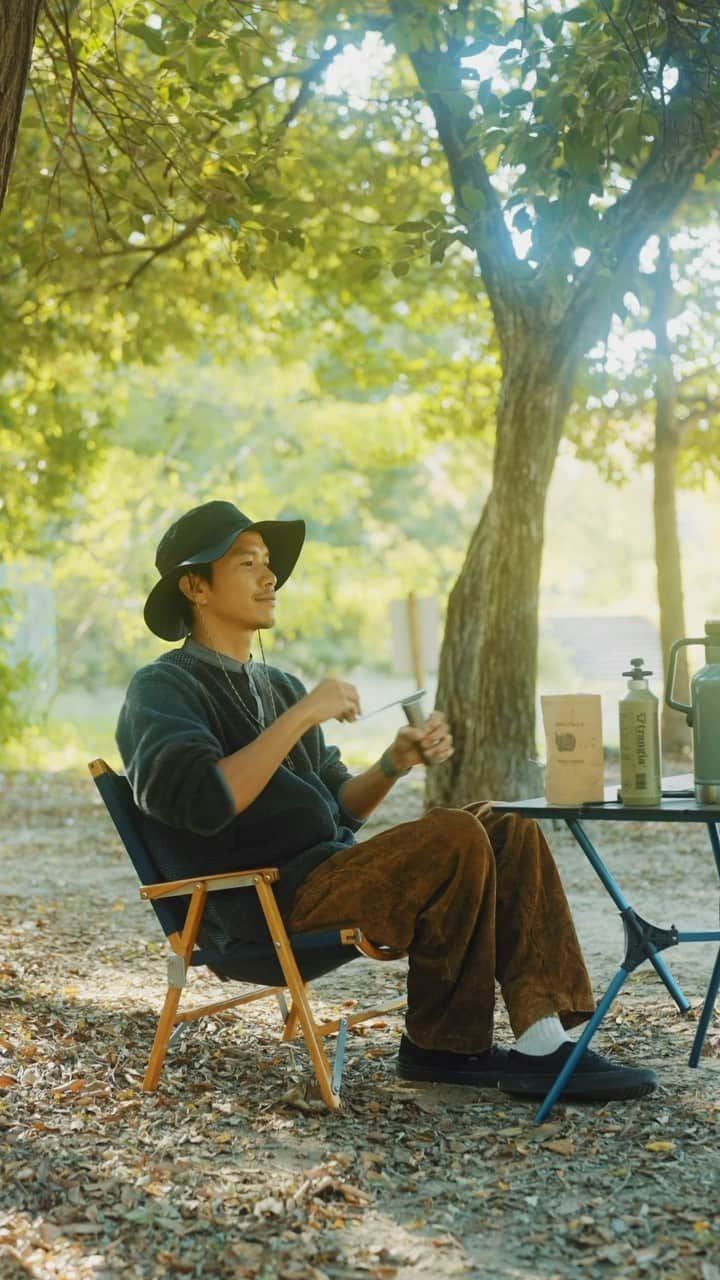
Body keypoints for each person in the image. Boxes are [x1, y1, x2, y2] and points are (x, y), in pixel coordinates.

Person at [117, 500, 657, 1102]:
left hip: (328, 874)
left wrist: (394, 763)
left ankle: (542, 1041)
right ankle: (442, 1048)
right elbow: (202, 802)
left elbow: (339, 807)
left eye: (268, 563)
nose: (270, 577)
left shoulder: (278, 685)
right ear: (195, 585)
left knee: (507, 826)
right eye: (248, 563)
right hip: (261, 903)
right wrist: (302, 715)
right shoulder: (162, 688)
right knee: (454, 834)